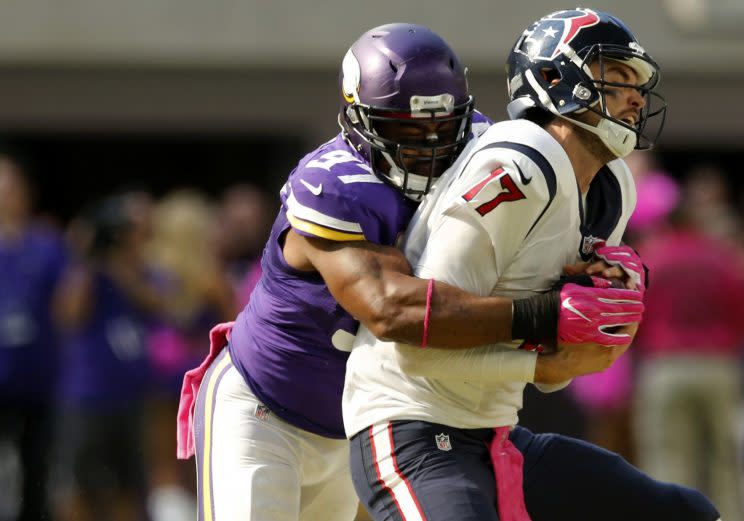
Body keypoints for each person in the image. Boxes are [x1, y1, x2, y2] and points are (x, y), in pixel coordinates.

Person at [178, 22, 630, 521]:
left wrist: (599, 271)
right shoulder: (335, 184)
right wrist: (546, 315)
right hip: (266, 407)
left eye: (443, 125)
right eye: (406, 129)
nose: (430, 144)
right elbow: (392, 309)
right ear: (358, 121)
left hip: (351, 422)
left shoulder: (484, 146)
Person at [343, 8, 721, 521]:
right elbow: (415, 349)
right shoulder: (520, 161)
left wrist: (584, 341)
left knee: (687, 512)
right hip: (414, 430)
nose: (635, 97)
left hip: (495, 432)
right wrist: (544, 347)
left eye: (639, 84)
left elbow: (550, 379)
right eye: (618, 76)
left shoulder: (612, 187)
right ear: (552, 77)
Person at [0, 153, 67, 521]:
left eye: (11, 186)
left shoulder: (46, 245)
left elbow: (65, 309)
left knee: (35, 468)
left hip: (37, 378)